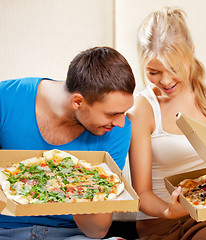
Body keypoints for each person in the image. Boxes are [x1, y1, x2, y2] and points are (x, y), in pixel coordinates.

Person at [128, 7, 206, 240]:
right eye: (154, 72)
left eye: (174, 68)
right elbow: (143, 193)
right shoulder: (142, 110)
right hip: (160, 222)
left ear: (192, 54)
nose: (165, 80)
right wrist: (168, 211)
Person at [0, 46, 135, 239]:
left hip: (71, 235)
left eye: (124, 111)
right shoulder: (6, 98)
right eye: (112, 113)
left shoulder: (116, 131)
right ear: (78, 102)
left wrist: (74, 186)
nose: (121, 123)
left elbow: (97, 230)